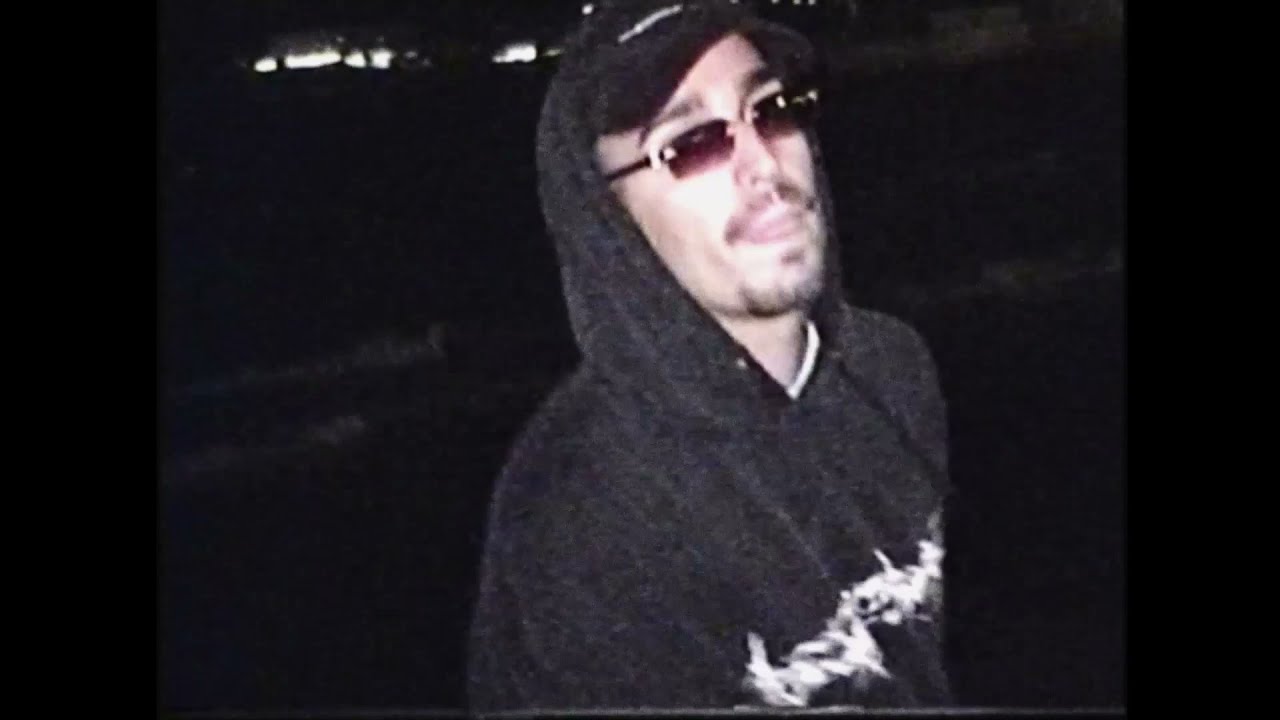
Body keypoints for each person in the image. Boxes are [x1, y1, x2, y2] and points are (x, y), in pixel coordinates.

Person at [467, 0, 952, 711]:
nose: (763, 163)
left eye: (770, 110)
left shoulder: (893, 371)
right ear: (610, 219)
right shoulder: (585, 523)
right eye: (693, 142)